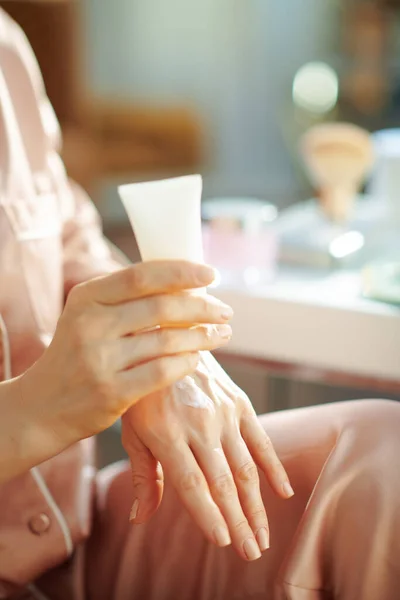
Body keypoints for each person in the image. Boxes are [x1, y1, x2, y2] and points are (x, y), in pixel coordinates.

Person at [0, 7, 399, 599]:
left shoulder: (5, 49)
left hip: (75, 544)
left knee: (380, 459)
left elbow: (71, 236)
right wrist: (32, 413)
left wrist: (156, 353)